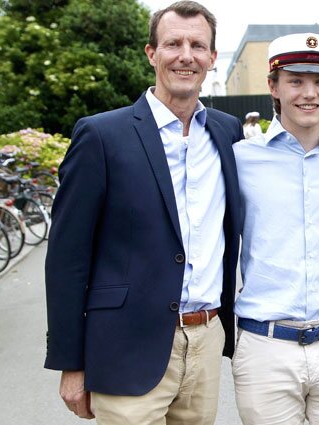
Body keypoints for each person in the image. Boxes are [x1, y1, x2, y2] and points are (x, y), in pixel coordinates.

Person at [44, 2, 244, 423]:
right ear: (152, 53)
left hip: (206, 341)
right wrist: (71, 363)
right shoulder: (101, 135)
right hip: (125, 349)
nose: (185, 55)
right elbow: (67, 257)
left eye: (197, 45)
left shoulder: (228, 133)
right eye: (173, 43)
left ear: (212, 58)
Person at [230, 33, 319, 424]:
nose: (308, 93)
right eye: (295, 80)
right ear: (273, 86)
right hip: (266, 348)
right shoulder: (240, 160)